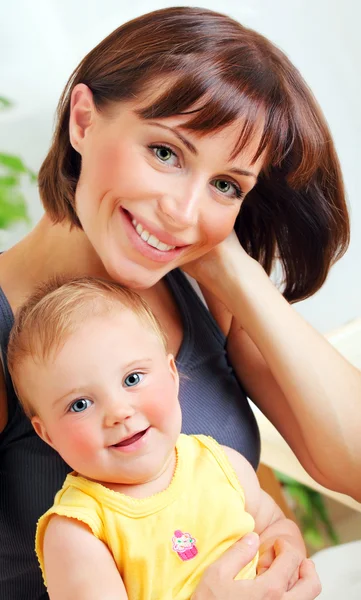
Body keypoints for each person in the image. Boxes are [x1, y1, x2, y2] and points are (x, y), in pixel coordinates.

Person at [0, 5, 359, 599]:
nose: (185, 210)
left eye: (226, 185)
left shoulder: (199, 287)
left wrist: (226, 263)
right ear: (84, 121)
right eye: (166, 153)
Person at [8, 276, 308, 600]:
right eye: (80, 404)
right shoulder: (79, 533)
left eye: (132, 378)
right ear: (47, 434)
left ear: (172, 373)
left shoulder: (222, 464)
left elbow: (275, 526)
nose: (119, 412)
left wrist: (285, 552)